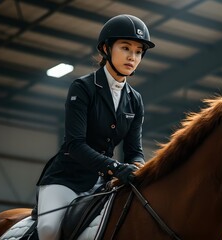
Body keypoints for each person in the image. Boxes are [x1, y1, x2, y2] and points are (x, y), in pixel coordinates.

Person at [35, 14, 155, 240]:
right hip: (66, 179)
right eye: (126, 48)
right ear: (106, 48)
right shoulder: (83, 87)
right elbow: (75, 145)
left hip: (103, 184)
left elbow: (134, 151)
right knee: (49, 231)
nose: (133, 57)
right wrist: (117, 167)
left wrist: (140, 168)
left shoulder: (135, 99)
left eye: (139, 52)